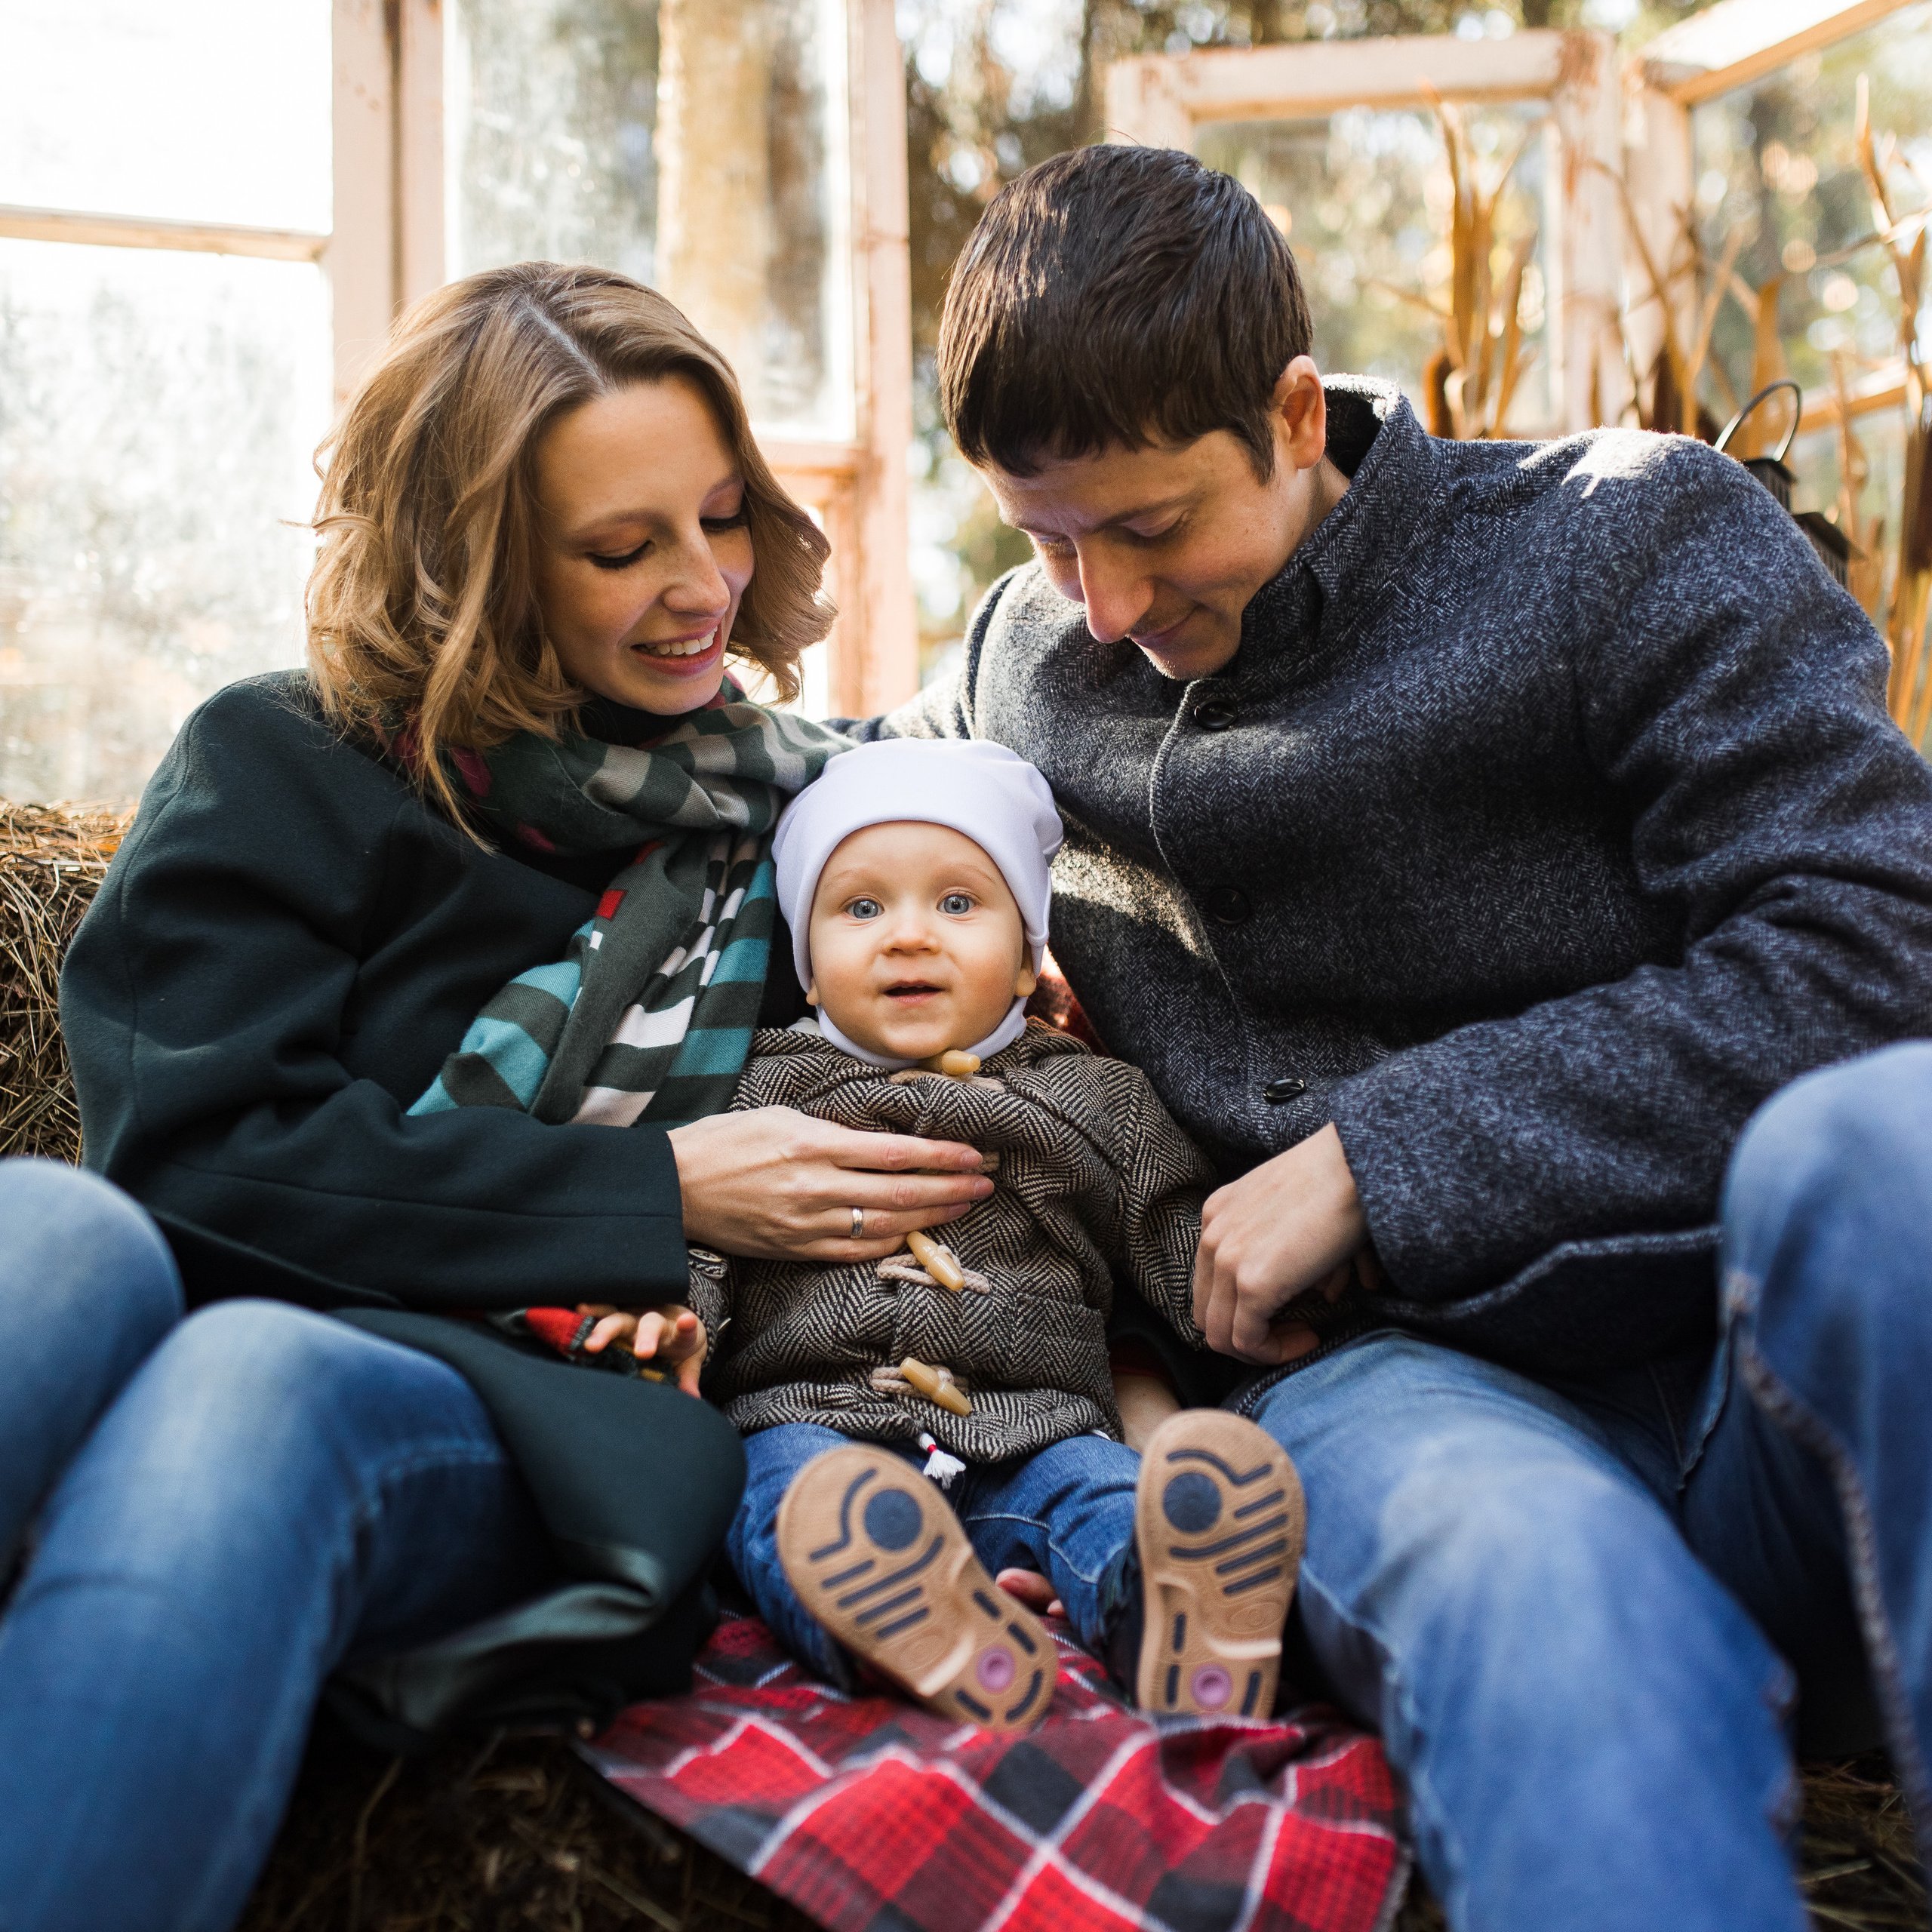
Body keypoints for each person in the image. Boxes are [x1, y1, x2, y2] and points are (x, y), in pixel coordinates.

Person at [846, 143, 1932, 1929]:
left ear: (1290, 411)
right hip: (1400, 1411)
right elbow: (811, 818)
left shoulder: (1626, 537)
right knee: (1539, 1581)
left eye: (1148, 525)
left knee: (1890, 1143)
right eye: (1041, 535)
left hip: (1770, 1366)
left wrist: (1380, 1152)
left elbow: (1878, 945)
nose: (1099, 602)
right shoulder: (1017, 659)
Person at [28, 263, 992, 1932]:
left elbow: (983, 921)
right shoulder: (278, 761)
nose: (701, 588)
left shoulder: (810, 828)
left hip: (524, 1401)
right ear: (469, 567)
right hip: (201, 1290)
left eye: (717, 515)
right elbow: (190, 1164)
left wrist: (1018, 967)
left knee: (259, 1374)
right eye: (622, 549)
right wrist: (658, 1189)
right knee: (43, 1231)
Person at [650, 736, 1300, 1727]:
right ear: (809, 969)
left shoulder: (1096, 1098)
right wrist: (672, 1340)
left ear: (1030, 953)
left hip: (1031, 1424)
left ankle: (1176, 1617)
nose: (909, 936)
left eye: (958, 903)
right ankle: (902, 1615)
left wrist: (1272, 1308)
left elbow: (1174, 1236)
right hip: (807, 1417)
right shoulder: (761, 1097)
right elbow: (700, 1245)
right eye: (861, 908)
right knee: (778, 1502)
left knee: (1097, 1500)